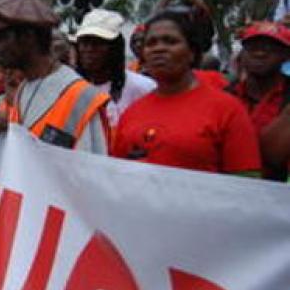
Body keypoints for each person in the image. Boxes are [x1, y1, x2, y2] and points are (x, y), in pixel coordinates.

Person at [112, 10, 261, 175]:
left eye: (170, 41)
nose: (158, 49)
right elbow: (116, 178)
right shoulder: (131, 114)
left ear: (192, 52)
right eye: (151, 43)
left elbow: (247, 184)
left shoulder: (227, 110)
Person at [0, 0, 111, 154]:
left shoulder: (82, 98)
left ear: (28, 37)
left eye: (2, 38)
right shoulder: (23, 89)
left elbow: (92, 170)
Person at [229, 21, 290, 180]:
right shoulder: (226, 95)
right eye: (252, 47)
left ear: (285, 55)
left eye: (270, 49)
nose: (260, 54)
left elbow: (272, 156)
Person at [75, 9, 156, 128]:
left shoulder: (143, 87)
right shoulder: (73, 89)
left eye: (97, 43)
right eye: (84, 42)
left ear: (114, 48)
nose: (89, 49)